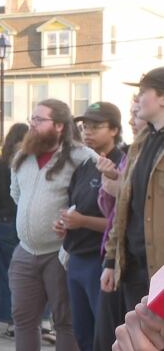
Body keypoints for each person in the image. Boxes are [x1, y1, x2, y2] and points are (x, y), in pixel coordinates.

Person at [11, 98, 95, 351]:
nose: (32, 124)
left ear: (59, 125)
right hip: (25, 251)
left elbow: (92, 198)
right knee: (23, 320)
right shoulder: (22, 157)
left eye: (39, 120)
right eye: (31, 119)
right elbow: (16, 194)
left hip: (60, 253)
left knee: (66, 322)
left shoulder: (81, 157)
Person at [57, 102, 124, 351]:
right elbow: (76, 206)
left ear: (114, 130)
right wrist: (65, 224)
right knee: (82, 333)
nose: (88, 132)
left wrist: (82, 222)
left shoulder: (121, 164)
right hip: (76, 257)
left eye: (96, 126)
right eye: (85, 127)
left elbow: (121, 222)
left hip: (101, 259)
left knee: (105, 335)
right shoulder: (85, 165)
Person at [102, 67, 164, 316]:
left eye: (143, 92)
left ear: (162, 97)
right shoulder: (140, 142)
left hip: (160, 272)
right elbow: (124, 208)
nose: (137, 100)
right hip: (134, 270)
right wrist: (110, 261)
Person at [94, 96, 145, 351]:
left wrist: (119, 185)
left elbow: (136, 208)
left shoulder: (143, 153)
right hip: (117, 257)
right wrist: (112, 181)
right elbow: (114, 214)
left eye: (137, 113)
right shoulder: (131, 154)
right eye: (131, 113)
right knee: (109, 335)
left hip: (138, 264)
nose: (133, 120)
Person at [0, 122, 29, 340]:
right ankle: (42, 319)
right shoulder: (30, 161)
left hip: (4, 222)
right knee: (34, 274)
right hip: (27, 221)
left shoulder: (0, 164)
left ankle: (11, 321)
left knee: (7, 274)